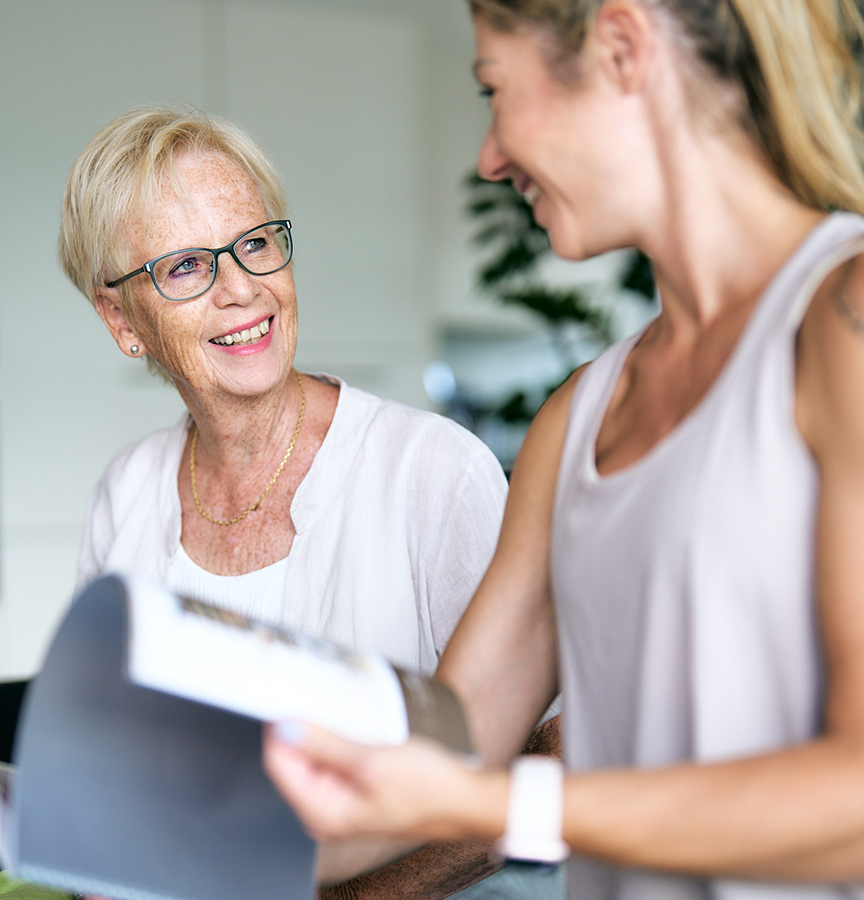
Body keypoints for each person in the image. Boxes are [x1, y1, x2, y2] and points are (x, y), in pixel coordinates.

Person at [264, 1, 864, 898]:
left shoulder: (841, 325)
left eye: (495, 91)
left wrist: (512, 807)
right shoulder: (576, 417)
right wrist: (171, 852)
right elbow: (435, 761)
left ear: (623, 49)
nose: (490, 156)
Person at [59, 105, 564, 900]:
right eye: (186, 267)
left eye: (255, 243)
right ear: (122, 318)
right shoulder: (125, 494)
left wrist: (349, 897)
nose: (241, 289)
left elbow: (552, 748)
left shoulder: (431, 470)